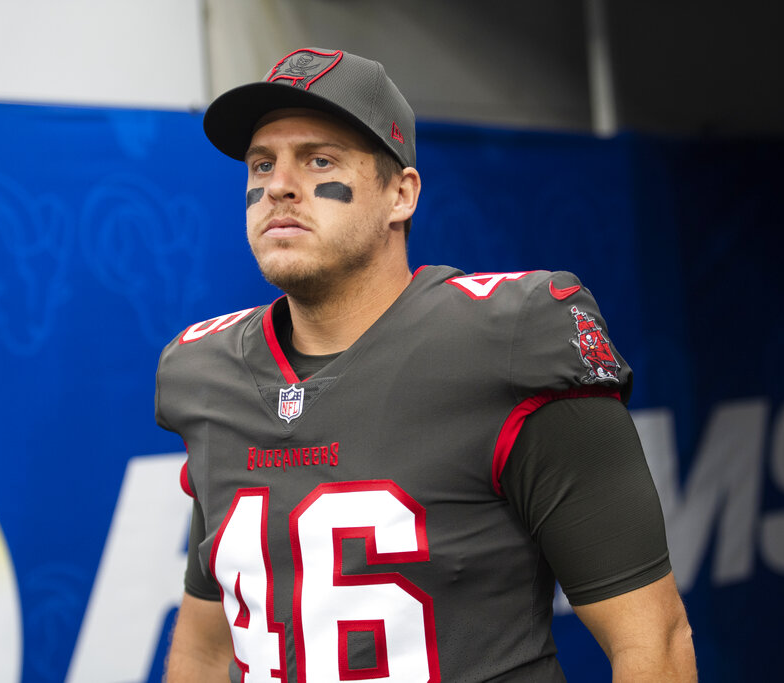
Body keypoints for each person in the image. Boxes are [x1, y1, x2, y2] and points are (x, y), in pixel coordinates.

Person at [156, 47, 696, 682]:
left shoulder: (512, 339)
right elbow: (204, 649)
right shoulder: (204, 372)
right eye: (262, 163)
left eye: (319, 159)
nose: (278, 185)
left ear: (400, 195)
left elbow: (652, 639)